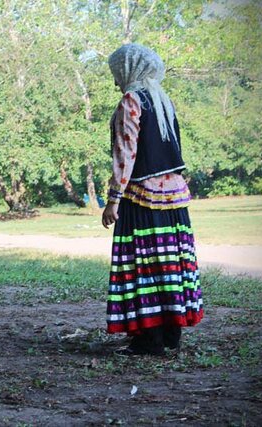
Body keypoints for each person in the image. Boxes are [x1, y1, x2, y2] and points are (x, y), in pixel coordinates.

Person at [102, 44, 203, 355]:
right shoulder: (162, 100)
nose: (115, 79)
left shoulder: (131, 101)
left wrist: (113, 200)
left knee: (143, 266)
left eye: (117, 72)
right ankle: (170, 334)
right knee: (169, 264)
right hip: (174, 199)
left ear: (128, 69)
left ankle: (149, 338)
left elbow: (126, 154)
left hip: (142, 198)